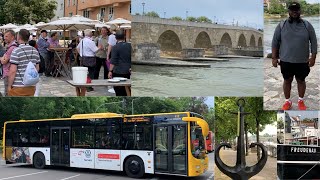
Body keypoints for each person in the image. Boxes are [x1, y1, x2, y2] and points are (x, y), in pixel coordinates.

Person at [272, 2, 317, 110]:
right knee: (287, 80)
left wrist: (313, 57)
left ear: (300, 11)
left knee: (301, 80)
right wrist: (274, 58)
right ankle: (288, 101)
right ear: (289, 11)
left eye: (296, 10)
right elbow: (275, 42)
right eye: (292, 10)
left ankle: (301, 100)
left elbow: (314, 42)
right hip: (286, 60)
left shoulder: (307, 25)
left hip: (302, 61)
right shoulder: (281, 25)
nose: (294, 12)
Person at [7, 29, 40, 96]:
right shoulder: (35, 50)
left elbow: (13, 71)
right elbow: (37, 68)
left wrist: (9, 85)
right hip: (31, 85)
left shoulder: (16, 51)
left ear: (18, 37)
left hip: (18, 86)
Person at [108, 30, 131, 96]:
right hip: (127, 71)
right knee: (126, 89)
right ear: (124, 37)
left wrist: (110, 71)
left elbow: (113, 61)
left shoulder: (115, 47)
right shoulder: (130, 46)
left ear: (116, 38)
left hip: (117, 71)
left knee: (118, 90)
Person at [0, 30, 18, 96]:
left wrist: (1, 58)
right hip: (8, 73)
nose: (4, 38)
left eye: (7, 36)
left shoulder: (12, 47)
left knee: (8, 93)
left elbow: (3, 61)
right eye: (4, 36)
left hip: (8, 74)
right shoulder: (11, 47)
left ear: (12, 37)